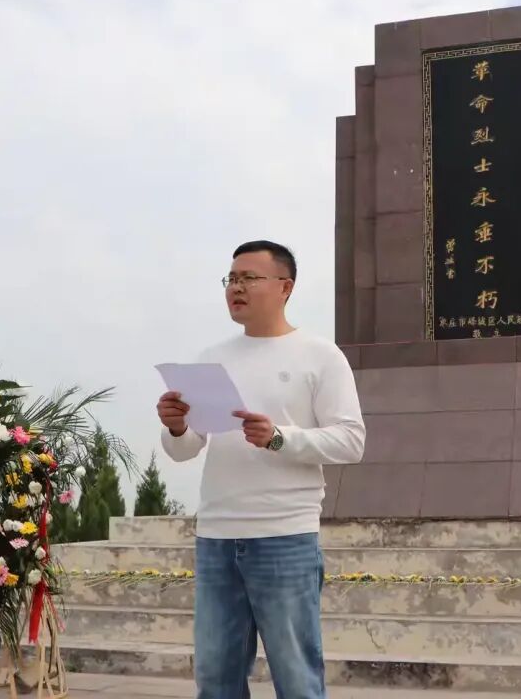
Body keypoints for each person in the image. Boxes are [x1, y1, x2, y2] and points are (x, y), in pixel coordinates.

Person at [156, 240, 365, 699]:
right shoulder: (211, 356)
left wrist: (279, 437)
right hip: (216, 537)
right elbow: (188, 450)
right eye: (231, 279)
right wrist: (176, 428)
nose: (237, 288)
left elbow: (351, 440)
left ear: (285, 286)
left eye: (249, 278)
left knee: (296, 678)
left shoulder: (320, 355)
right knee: (215, 677)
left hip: (285, 536)